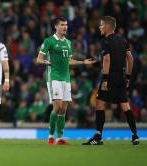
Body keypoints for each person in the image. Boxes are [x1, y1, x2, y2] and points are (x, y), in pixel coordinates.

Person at [36, 16, 96, 145]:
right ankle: (50, 136)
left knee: (63, 108)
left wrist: (82, 62)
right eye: (62, 24)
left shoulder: (68, 42)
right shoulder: (49, 41)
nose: (65, 27)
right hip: (54, 77)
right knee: (57, 106)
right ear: (56, 26)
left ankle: (59, 138)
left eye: (66, 24)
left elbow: (69, 60)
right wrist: (45, 61)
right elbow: (38, 59)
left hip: (66, 77)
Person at [83, 16, 139, 145]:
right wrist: (128, 77)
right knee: (125, 106)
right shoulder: (123, 40)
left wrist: (105, 79)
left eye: (102, 25)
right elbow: (130, 59)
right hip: (121, 77)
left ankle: (98, 137)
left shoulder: (106, 41)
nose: (100, 27)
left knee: (100, 103)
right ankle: (135, 135)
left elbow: (107, 59)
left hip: (110, 77)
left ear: (107, 27)